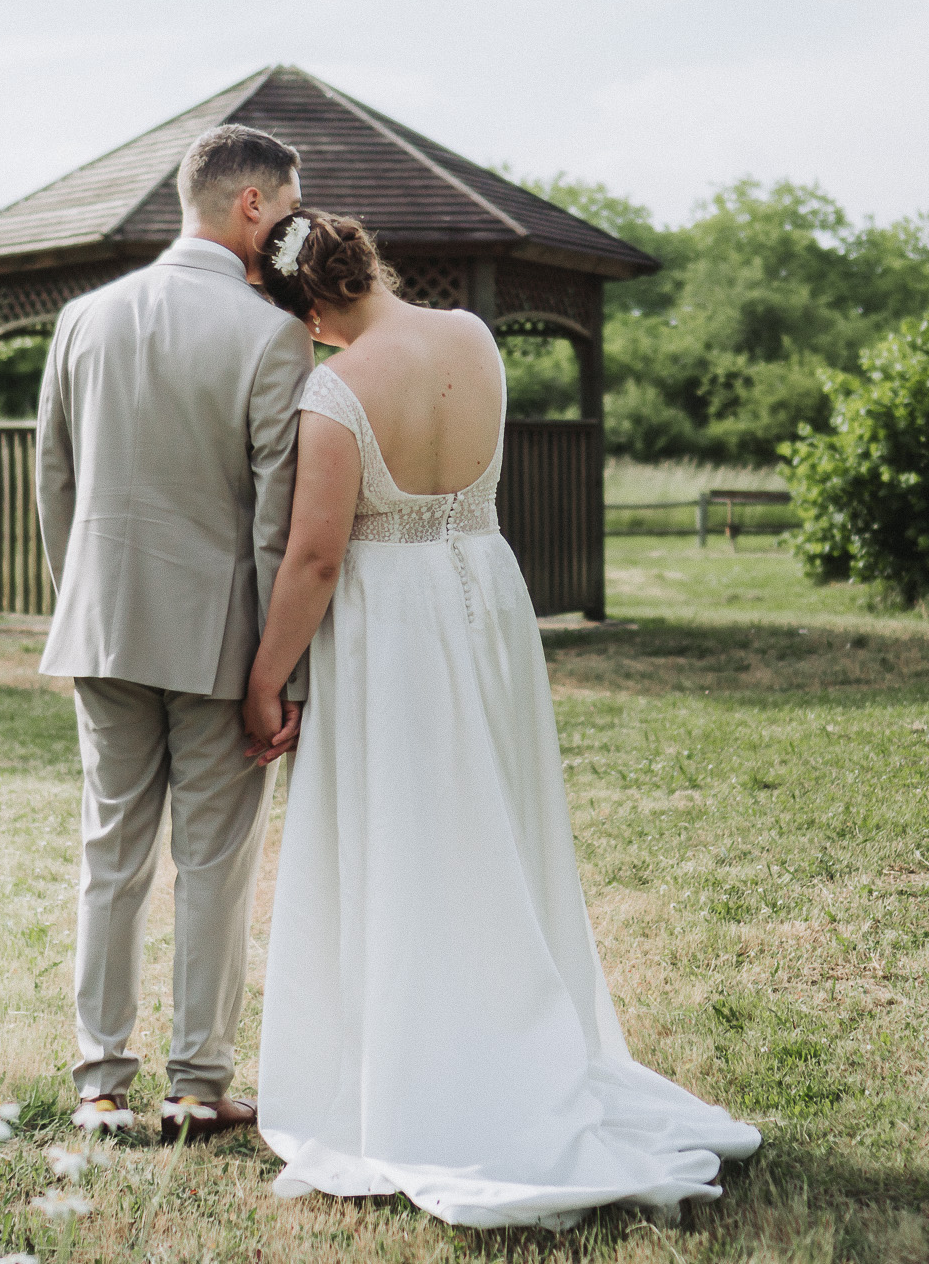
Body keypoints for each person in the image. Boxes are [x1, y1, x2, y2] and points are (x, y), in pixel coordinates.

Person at [243, 210, 761, 1229]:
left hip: (393, 623)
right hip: (484, 594)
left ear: (308, 308)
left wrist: (267, 677)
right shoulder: (473, 338)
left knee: (409, 833)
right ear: (365, 263)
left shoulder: (333, 391)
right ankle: (504, 1024)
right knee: (492, 827)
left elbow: (311, 559)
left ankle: (432, 1066)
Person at [33, 125, 312, 1146]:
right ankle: (196, 1086)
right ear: (251, 206)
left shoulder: (82, 319)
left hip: (101, 628)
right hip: (221, 645)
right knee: (213, 865)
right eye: (287, 207)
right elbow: (274, 522)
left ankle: (99, 1087)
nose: (291, 228)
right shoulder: (270, 334)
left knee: (109, 857)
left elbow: (52, 482)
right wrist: (275, 670)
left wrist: (87, 606)